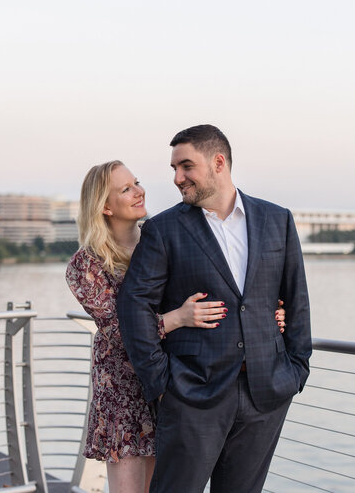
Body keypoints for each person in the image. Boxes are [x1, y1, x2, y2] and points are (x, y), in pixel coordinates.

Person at [65, 160, 287, 493]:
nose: (139, 191)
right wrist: (177, 318)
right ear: (105, 207)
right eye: (126, 189)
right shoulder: (85, 265)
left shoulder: (161, 236)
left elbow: (213, 292)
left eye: (136, 182)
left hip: (170, 381)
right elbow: (118, 331)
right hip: (123, 389)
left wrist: (266, 318)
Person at [117, 125, 312, 493]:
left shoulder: (277, 220)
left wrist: (296, 368)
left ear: (218, 162)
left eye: (186, 166)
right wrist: (161, 382)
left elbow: (296, 299)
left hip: (266, 393)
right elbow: (134, 307)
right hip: (191, 394)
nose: (177, 178)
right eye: (174, 168)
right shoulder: (163, 229)